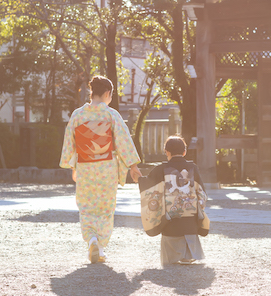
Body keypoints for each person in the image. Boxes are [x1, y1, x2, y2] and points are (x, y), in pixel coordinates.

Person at [60, 75, 142, 264]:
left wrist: (73, 166)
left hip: (85, 167)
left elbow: (69, 143)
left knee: (87, 207)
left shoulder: (78, 115)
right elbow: (123, 141)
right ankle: (101, 245)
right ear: (107, 94)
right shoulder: (111, 114)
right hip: (106, 167)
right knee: (105, 208)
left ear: (91, 92)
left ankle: (92, 239)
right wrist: (133, 165)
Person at [138, 135, 209, 266]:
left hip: (170, 223)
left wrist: (138, 177)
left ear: (167, 152)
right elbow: (202, 193)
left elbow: (147, 186)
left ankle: (176, 257)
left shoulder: (161, 169)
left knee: (168, 223)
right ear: (184, 152)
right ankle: (189, 255)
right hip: (191, 223)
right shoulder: (193, 168)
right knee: (190, 222)